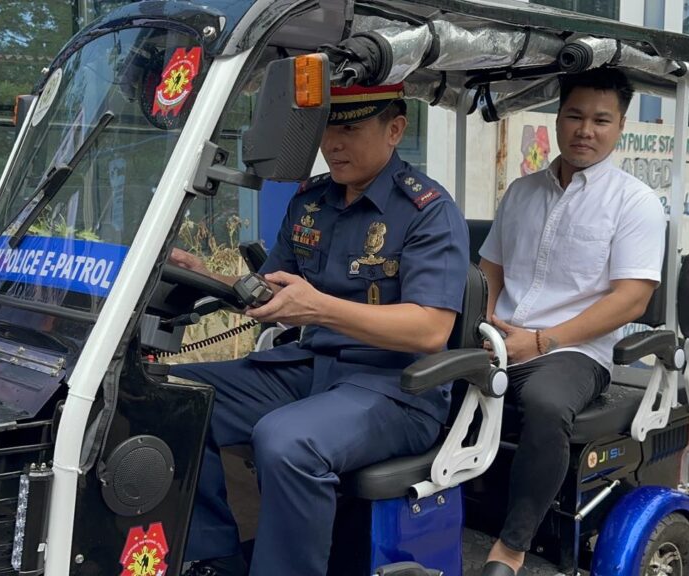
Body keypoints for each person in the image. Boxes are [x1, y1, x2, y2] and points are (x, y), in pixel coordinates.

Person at [169, 82, 470, 576]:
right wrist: (207, 274)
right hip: (309, 369)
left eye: (350, 128)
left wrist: (321, 309)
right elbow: (273, 291)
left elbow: (430, 330)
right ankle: (211, 559)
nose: (333, 143)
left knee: (286, 440)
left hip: (396, 388)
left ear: (396, 129)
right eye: (328, 127)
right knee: (175, 395)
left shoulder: (428, 210)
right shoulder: (310, 202)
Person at [477, 68, 666, 576]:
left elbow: (631, 301)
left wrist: (540, 341)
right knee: (421, 375)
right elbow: (490, 268)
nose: (587, 129)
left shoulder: (635, 203)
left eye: (601, 120)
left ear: (621, 125)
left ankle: (512, 546)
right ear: (557, 119)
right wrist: (487, 319)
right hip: (501, 336)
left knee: (544, 404)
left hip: (575, 352)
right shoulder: (521, 191)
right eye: (575, 116)